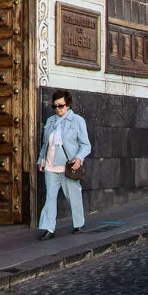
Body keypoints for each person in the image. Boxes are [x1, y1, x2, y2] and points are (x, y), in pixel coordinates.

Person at [36, 89, 91, 240]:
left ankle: (79, 224)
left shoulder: (77, 120)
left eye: (61, 106)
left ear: (68, 105)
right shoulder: (50, 121)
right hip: (50, 166)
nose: (58, 109)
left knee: (73, 196)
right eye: (55, 106)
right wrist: (41, 159)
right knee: (50, 198)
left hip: (68, 167)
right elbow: (45, 144)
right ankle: (49, 229)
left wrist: (79, 159)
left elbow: (86, 145)